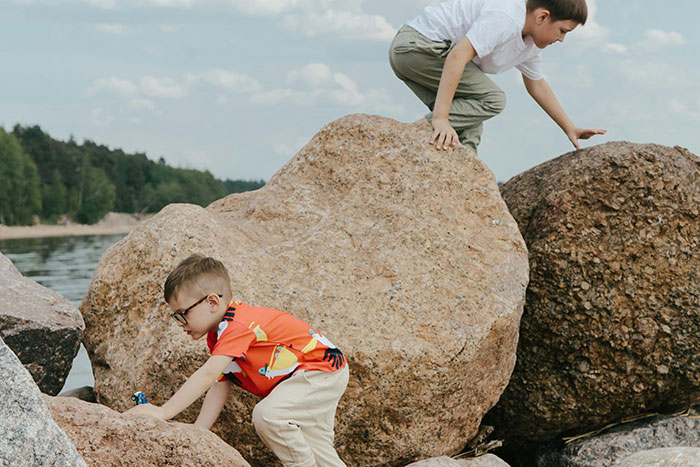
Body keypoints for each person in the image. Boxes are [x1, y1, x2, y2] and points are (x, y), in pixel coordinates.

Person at [126, 254, 349, 467]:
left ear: (212, 302)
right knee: (319, 448)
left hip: (320, 370)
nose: (179, 322)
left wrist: (164, 412)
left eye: (182, 313)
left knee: (269, 416)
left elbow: (208, 374)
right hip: (322, 373)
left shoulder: (238, 326)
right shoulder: (218, 335)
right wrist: (198, 432)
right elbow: (221, 382)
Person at [389, 0, 606, 153]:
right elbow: (457, 56)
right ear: (542, 16)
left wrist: (570, 127)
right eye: (562, 31)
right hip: (418, 45)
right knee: (492, 99)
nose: (561, 40)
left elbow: (537, 85)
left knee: (470, 123)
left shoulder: (529, 44)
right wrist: (440, 119)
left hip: (418, 53)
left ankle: (465, 179)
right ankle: (407, 142)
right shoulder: (506, 17)